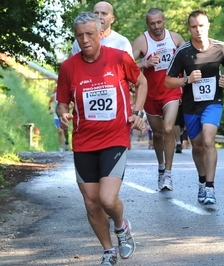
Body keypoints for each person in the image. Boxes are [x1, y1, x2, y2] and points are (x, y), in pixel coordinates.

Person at [56, 12, 147, 266]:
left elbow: (141, 82)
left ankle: (121, 226)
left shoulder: (118, 59)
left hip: (115, 137)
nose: (85, 39)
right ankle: (108, 251)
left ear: (100, 34)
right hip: (84, 141)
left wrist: (138, 111)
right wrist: (64, 115)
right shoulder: (68, 67)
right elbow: (62, 104)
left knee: (107, 199)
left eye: (90, 34)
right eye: (80, 35)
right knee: (91, 203)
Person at [165, 10, 224, 205]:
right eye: (194, 27)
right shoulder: (183, 52)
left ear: (208, 26)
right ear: (189, 29)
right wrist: (187, 79)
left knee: (208, 139)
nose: (198, 30)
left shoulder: (221, 48)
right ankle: (202, 180)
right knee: (197, 145)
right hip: (191, 106)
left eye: (201, 26)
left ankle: (210, 187)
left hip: (214, 102)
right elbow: (168, 81)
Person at [132, 8, 185, 191]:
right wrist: (145, 63)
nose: (156, 26)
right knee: (158, 133)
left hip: (171, 91)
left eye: (159, 22)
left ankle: (168, 175)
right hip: (150, 94)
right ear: (147, 24)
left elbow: (189, 60)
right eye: (152, 23)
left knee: (169, 129)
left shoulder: (176, 38)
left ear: (164, 20)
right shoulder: (141, 41)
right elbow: (127, 67)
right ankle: (161, 167)